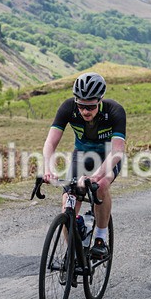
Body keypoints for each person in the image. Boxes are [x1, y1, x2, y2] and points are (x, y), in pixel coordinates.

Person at [42, 72, 126, 259]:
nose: (85, 111)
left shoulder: (114, 111)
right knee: (68, 202)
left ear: (100, 101)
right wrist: (48, 169)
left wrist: (96, 176)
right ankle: (73, 252)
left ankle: (101, 238)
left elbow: (118, 151)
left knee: (101, 186)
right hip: (80, 156)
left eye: (90, 107)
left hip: (108, 158)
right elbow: (50, 143)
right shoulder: (68, 108)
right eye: (81, 106)